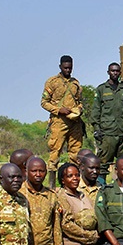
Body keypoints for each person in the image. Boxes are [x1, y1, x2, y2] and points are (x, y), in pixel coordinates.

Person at [91, 62, 123, 184]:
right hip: (107, 132)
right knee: (103, 164)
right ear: (108, 72)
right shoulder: (101, 89)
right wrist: (96, 128)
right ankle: (101, 188)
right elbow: (96, 109)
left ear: (120, 73)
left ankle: (121, 188)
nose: (115, 73)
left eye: (117, 71)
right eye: (112, 71)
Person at [41, 55, 83, 183]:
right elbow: (44, 102)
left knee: (76, 154)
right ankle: (52, 185)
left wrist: (79, 110)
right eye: (65, 68)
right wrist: (59, 110)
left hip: (75, 123)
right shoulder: (52, 82)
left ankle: (75, 183)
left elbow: (80, 101)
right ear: (60, 67)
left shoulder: (76, 83)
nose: (68, 70)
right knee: (55, 154)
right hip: (59, 122)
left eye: (70, 68)